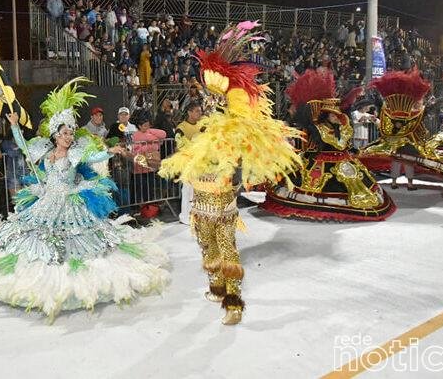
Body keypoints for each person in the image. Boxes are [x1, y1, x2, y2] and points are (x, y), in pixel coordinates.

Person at [0, 78, 169, 321]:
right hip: (46, 202)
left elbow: (95, 156)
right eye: (65, 133)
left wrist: (111, 151)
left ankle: (71, 284)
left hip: (70, 203)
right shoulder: (44, 151)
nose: (69, 136)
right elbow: (22, 146)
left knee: (78, 245)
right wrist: (15, 125)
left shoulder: (77, 153)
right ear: (56, 135)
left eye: (71, 132)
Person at [159, 22, 301, 325]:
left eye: (215, 102)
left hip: (222, 205)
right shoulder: (199, 134)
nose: (209, 105)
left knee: (227, 248)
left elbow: (238, 162)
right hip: (200, 205)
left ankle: (234, 302)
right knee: (205, 246)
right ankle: (216, 287)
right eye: (208, 102)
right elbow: (187, 163)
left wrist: (231, 171)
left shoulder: (232, 135)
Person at [262, 69, 396, 221]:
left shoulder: (342, 126)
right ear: (326, 114)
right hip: (320, 162)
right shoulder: (320, 128)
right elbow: (331, 140)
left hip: (344, 161)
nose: (335, 117)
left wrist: (346, 117)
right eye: (332, 114)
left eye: (336, 114)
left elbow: (343, 140)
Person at [175, 102, 203, 225]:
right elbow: (178, 146)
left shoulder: (202, 126)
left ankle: (195, 214)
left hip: (199, 162)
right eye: (197, 111)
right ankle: (184, 215)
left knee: (197, 190)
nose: (199, 113)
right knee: (187, 189)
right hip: (186, 162)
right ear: (189, 112)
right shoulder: (181, 127)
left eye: (200, 111)